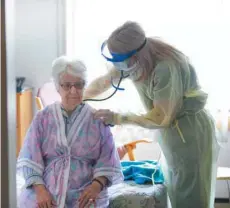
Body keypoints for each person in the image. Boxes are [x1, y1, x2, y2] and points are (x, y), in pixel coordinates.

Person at [83, 21, 220, 208]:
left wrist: (117, 118)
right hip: (173, 134)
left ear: (135, 54)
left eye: (118, 58)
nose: (116, 63)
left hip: (189, 133)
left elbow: (160, 117)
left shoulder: (165, 67)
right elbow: (105, 82)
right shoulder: (134, 61)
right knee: (176, 191)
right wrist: (79, 95)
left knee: (191, 196)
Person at [17, 56, 123, 208]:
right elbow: (30, 157)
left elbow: (108, 159)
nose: (73, 91)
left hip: (85, 191)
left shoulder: (98, 120)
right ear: (57, 87)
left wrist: (96, 186)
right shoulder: (43, 118)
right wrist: (40, 190)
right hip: (46, 188)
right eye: (67, 85)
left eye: (79, 85)